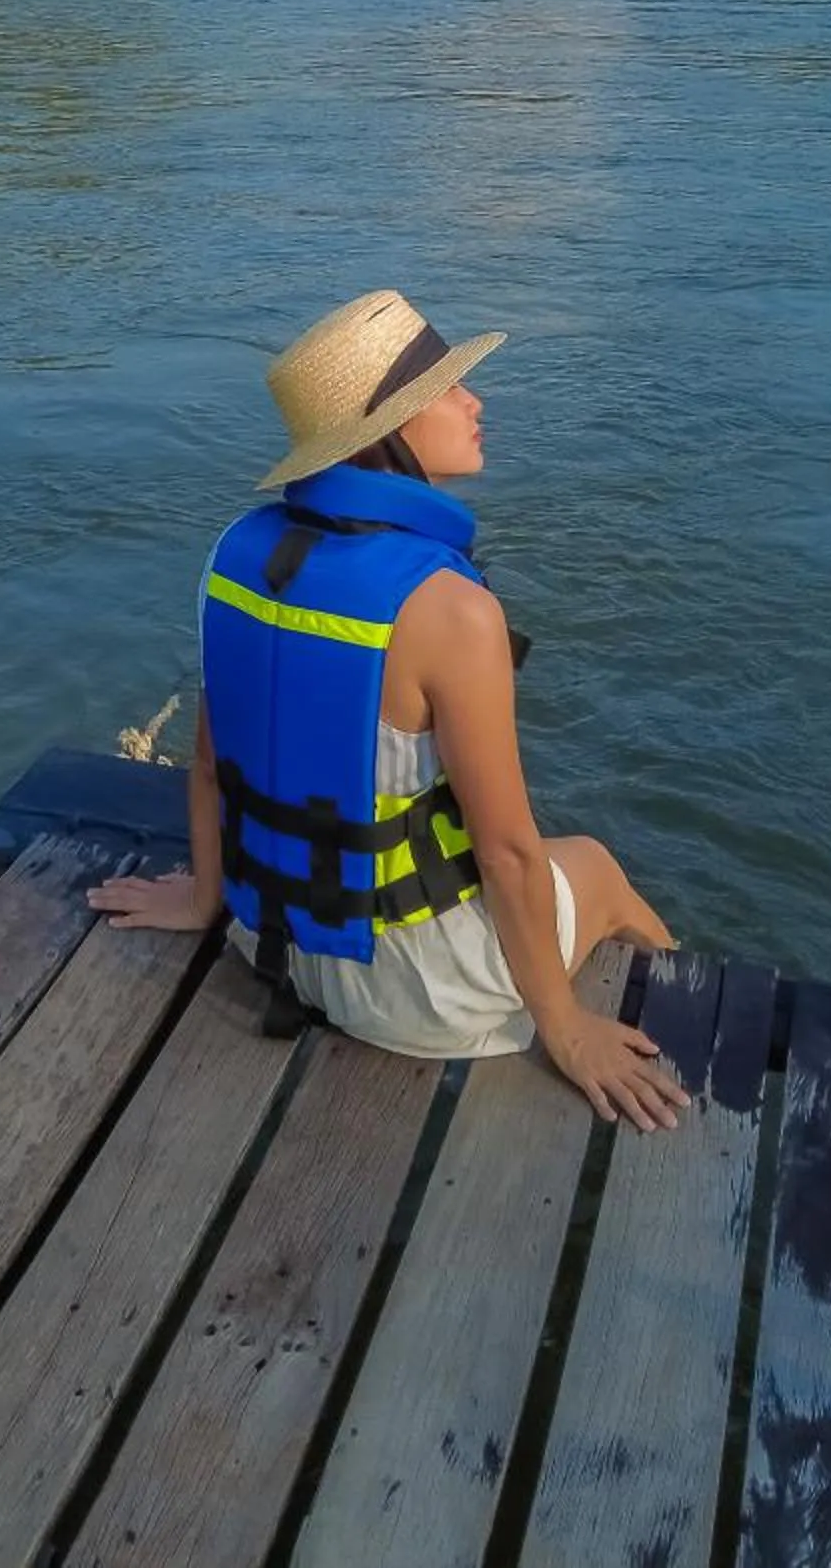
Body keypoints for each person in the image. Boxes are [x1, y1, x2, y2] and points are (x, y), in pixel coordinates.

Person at [88, 290, 686, 1130]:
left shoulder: (235, 554)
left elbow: (209, 764)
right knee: (597, 867)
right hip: (411, 995)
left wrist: (199, 902)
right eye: (447, 389)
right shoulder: (449, 609)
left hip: (268, 946)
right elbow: (509, 853)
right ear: (388, 431)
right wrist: (564, 1031)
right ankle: (683, 1010)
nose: (476, 402)